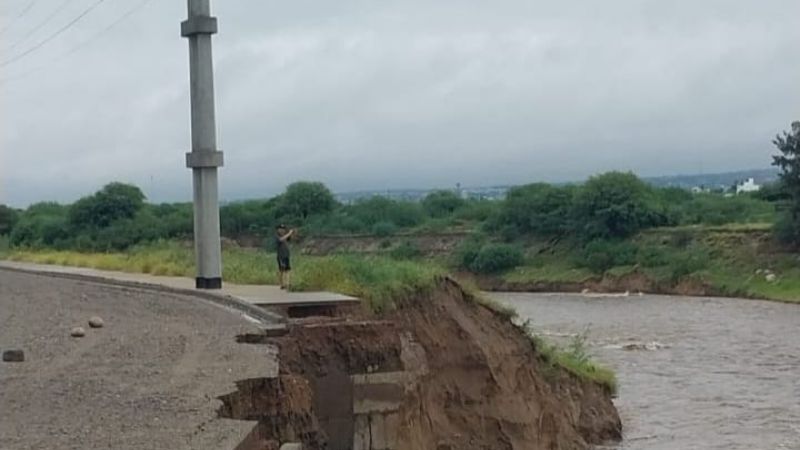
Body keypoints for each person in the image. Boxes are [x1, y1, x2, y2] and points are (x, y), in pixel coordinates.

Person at [275, 225, 295, 289]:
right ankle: (282, 284)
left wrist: (291, 233)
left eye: (283, 229)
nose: (282, 230)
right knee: (281, 270)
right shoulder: (277, 236)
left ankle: (288, 283)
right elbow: (281, 240)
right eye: (280, 229)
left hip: (286, 255)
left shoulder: (286, 236)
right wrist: (289, 233)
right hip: (281, 256)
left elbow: (291, 239)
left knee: (288, 270)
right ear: (278, 230)